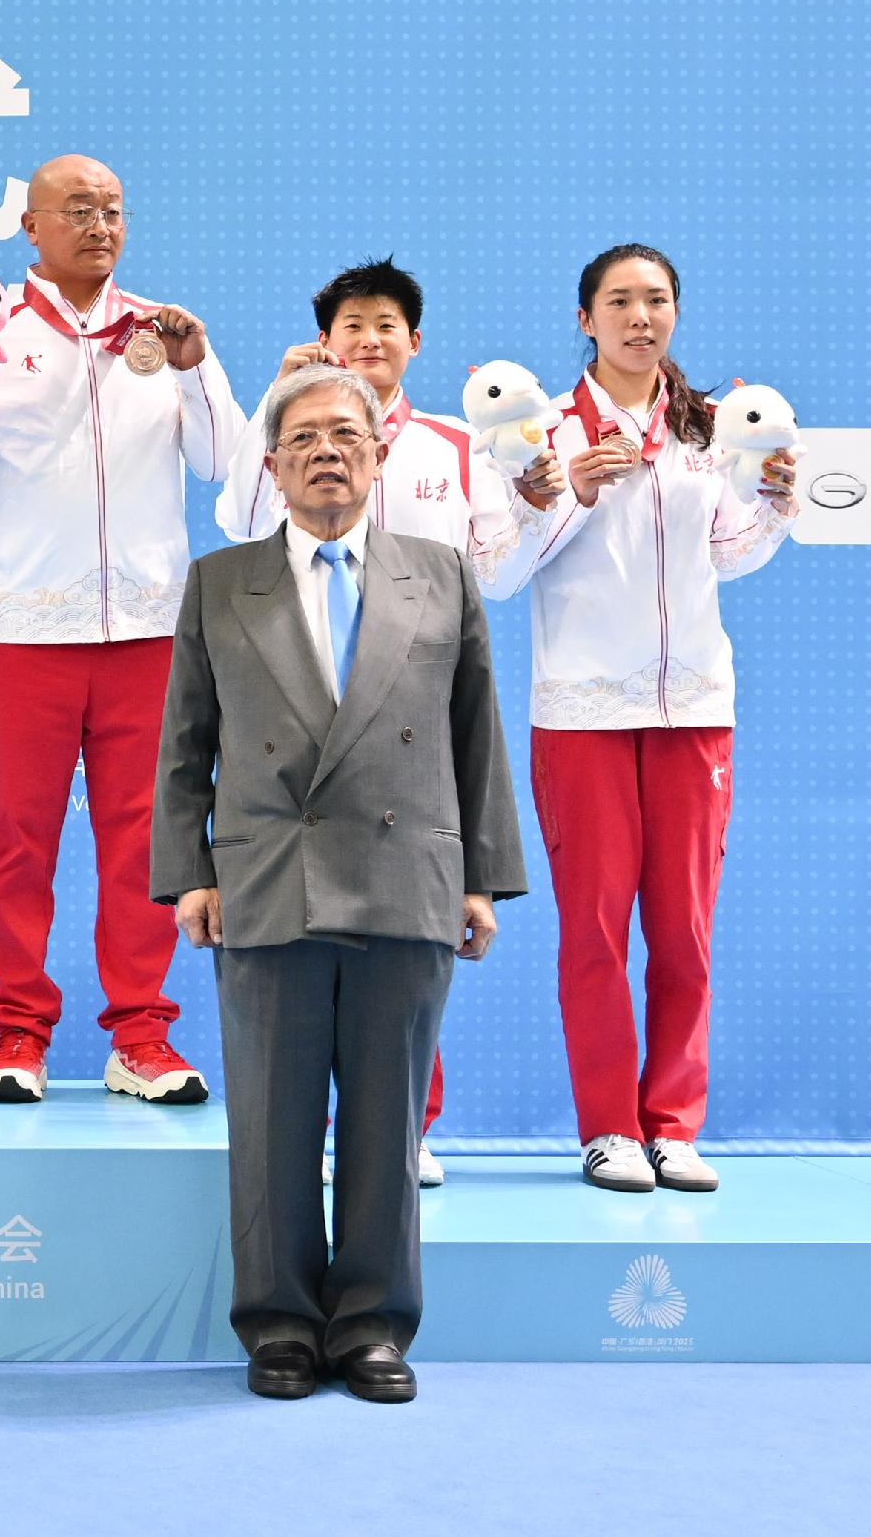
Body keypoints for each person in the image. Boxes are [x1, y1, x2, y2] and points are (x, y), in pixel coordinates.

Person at [156, 365, 522, 1407]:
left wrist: (483, 877)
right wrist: (189, 873)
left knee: (383, 1120)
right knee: (269, 1125)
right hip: (266, 881)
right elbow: (184, 745)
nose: (326, 451)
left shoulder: (440, 577)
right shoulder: (221, 582)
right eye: (303, 437)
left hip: (407, 878)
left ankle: (370, 1324)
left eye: (345, 435)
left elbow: (474, 736)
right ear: (269, 465)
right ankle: (276, 1323)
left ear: (380, 456)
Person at [0, 155, 245, 1104]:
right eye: (78, 210)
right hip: (26, 632)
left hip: (147, 631)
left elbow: (223, 460)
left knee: (144, 842)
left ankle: (139, 1035)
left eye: (113, 209)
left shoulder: (165, 331)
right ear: (31, 227)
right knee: (19, 838)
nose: (100, 225)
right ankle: (18, 1036)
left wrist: (191, 374)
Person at [215, 258, 554, 1185]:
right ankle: (310, 1133)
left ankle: (405, 1127)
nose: (371, 339)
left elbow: (497, 569)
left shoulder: (453, 445)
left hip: (410, 711)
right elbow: (242, 519)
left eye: (388, 326)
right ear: (325, 340)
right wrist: (270, 409)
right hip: (306, 699)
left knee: (408, 937)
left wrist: (536, 503)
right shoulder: (288, 432)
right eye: (352, 325)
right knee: (307, 942)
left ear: (416, 343)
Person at [476, 244, 800, 1196]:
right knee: (597, 930)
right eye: (619, 301)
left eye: (656, 300)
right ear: (585, 318)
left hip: (695, 707)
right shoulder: (539, 433)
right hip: (581, 714)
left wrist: (774, 499)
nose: (639, 317)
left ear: (676, 314)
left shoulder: (707, 431)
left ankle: (674, 1124)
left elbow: (727, 555)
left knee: (686, 929)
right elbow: (497, 571)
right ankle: (611, 1126)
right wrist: (569, 493)